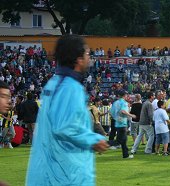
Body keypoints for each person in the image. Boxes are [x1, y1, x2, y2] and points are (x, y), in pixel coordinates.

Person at [26, 35, 109, 185]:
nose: (89, 58)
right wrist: (94, 139)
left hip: (50, 170)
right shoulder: (70, 87)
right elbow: (64, 127)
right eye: (87, 53)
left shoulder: (54, 83)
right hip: (64, 174)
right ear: (78, 59)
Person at [111, 90, 137, 159]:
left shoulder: (115, 103)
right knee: (118, 141)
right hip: (122, 123)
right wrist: (131, 115)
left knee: (124, 140)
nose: (127, 96)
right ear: (124, 96)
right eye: (126, 95)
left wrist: (116, 118)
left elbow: (111, 112)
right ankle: (102, 143)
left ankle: (126, 155)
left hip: (117, 123)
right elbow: (123, 111)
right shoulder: (124, 103)